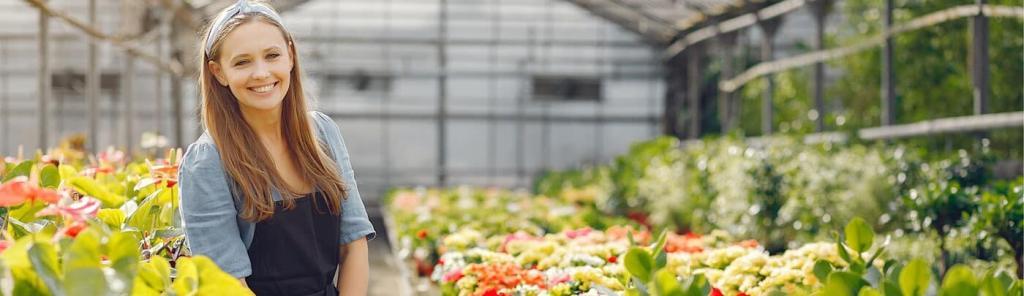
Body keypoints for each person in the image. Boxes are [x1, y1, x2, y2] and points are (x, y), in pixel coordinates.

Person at [177, 1, 375, 295]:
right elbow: (228, 283)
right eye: (242, 62)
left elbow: (354, 244)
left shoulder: (323, 133)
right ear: (218, 73)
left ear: (291, 56)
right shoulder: (208, 162)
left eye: (272, 56)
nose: (261, 73)